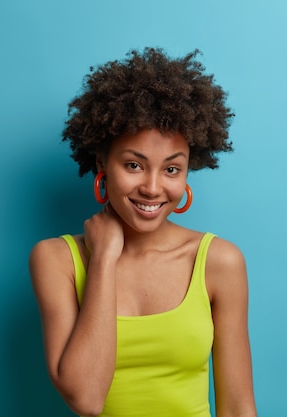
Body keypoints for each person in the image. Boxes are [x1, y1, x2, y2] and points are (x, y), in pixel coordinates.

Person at [29, 47, 257, 417]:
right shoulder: (57, 260)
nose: (152, 188)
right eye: (134, 165)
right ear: (102, 163)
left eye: (171, 170)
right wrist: (103, 258)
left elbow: (237, 408)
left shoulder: (218, 261)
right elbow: (86, 399)